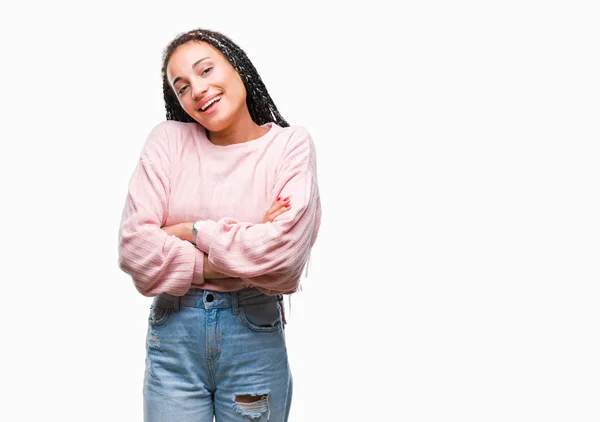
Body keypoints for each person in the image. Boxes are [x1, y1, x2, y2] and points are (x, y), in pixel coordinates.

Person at [117, 28, 321, 421]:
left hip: (253, 337)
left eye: (206, 70)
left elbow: (283, 259)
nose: (198, 89)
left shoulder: (289, 145)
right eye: (182, 87)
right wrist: (241, 249)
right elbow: (134, 249)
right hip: (174, 337)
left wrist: (190, 230)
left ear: (238, 67)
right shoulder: (168, 141)